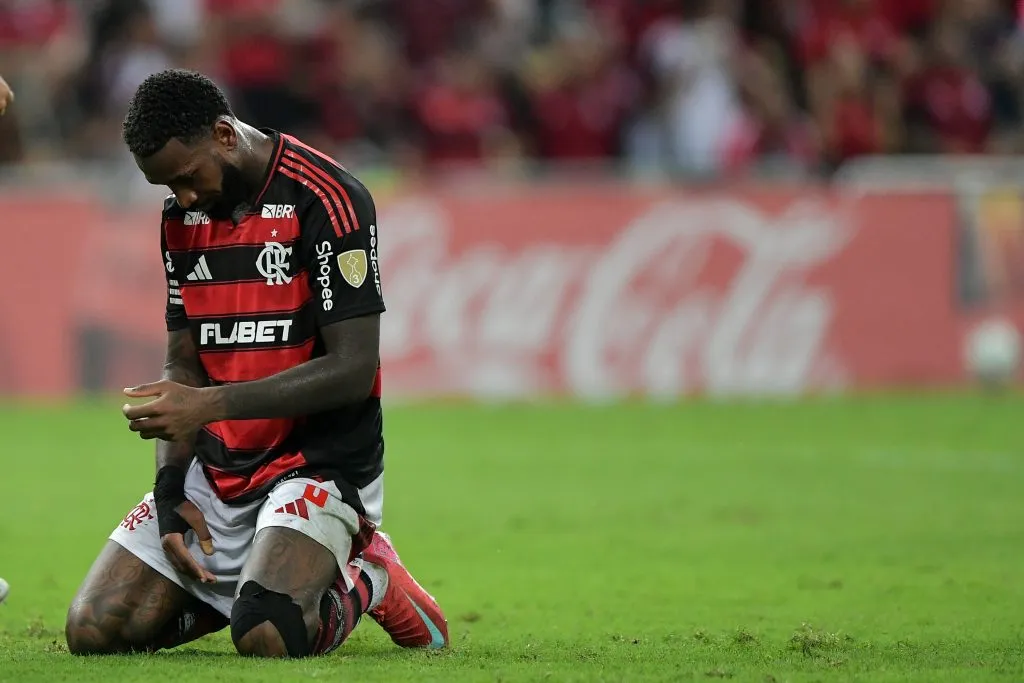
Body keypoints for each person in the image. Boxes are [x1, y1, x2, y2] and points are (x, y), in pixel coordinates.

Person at [64, 69, 448, 658]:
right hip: (221, 467)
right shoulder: (180, 217)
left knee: (267, 637)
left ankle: (369, 578)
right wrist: (169, 490)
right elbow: (183, 364)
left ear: (224, 135)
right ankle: (248, 590)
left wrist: (208, 406)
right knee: (95, 630)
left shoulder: (329, 198)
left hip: (318, 464)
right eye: (167, 186)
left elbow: (352, 368)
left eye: (188, 178)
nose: (184, 198)